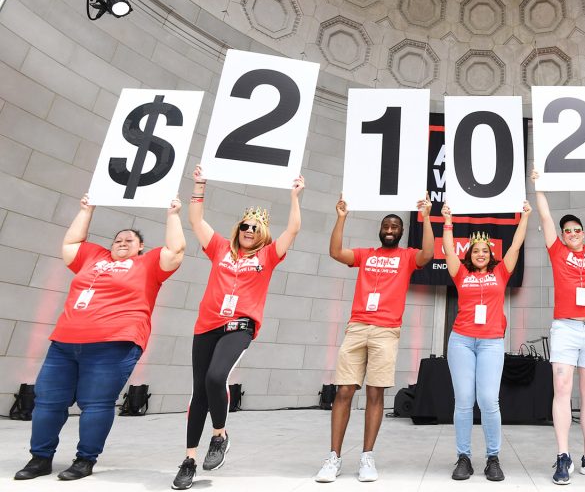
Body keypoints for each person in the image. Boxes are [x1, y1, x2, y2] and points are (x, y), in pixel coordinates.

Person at [14, 194, 185, 481]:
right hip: (65, 343)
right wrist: (86, 210)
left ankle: (84, 460)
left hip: (113, 343)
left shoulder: (149, 263)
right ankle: (40, 458)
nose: (122, 242)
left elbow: (176, 250)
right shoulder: (93, 257)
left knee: (95, 403)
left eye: (129, 240)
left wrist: (173, 215)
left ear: (141, 246)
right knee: (48, 401)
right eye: (118, 239)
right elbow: (70, 245)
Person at [172, 165, 304, 490]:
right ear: (238, 228)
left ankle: (220, 436)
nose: (249, 230)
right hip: (207, 325)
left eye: (256, 227)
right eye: (245, 225)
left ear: (263, 234)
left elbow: (293, 231)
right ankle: (189, 459)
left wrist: (295, 198)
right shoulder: (219, 248)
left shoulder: (269, 256)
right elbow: (196, 221)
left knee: (216, 377)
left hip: (240, 325)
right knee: (199, 392)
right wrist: (199, 186)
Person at [316, 194, 434, 483]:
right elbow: (335, 252)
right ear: (381, 230)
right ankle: (334, 457)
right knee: (344, 391)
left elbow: (428, 254)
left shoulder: (407, 257)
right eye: (386, 226)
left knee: (375, 393)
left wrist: (428, 216)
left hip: (386, 331)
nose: (391, 229)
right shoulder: (366, 254)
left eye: (395, 226)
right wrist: (342, 217)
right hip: (357, 327)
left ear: (402, 232)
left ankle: (367, 456)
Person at [533, 169, 585, 485]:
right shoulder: (557, 252)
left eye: (576, 229)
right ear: (562, 234)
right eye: (567, 230)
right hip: (566, 329)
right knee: (563, 390)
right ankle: (563, 456)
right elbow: (545, 213)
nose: (572, 234)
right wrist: (538, 186)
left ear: (583, 232)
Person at [440, 201, 532, 482]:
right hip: (462, 341)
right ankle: (464, 457)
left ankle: (493, 457)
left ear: (491, 255)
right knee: (464, 400)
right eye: (476, 251)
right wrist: (447, 221)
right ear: (469, 254)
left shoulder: (500, 273)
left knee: (489, 400)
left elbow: (515, 246)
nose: (480, 254)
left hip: (491, 342)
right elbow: (446, 248)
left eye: (485, 251)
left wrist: (525, 218)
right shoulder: (460, 274)